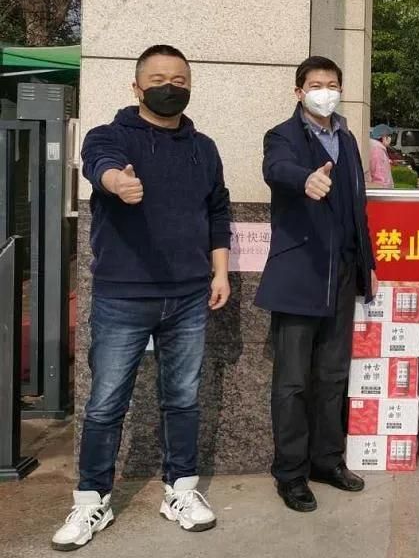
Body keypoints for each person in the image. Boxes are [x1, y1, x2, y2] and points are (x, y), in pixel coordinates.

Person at [53, 45, 231, 550]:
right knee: (106, 402)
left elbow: (217, 211)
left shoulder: (204, 148)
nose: (169, 87)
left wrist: (220, 272)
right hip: (123, 296)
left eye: (179, 80)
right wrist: (116, 182)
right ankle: (92, 500)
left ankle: (181, 490)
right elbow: (99, 165)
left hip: (190, 295)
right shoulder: (109, 135)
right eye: (158, 80)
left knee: (183, 399)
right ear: (136, 87)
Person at [255, 56, 378, 513]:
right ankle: (291, 473)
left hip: (342, 272)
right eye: (315, 85)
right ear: (299, 92)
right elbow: (276, 169)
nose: (324, 92)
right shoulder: (283, 136)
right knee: (292, 382)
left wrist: (368, 264)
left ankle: (328, 460)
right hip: (300, 273)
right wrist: (304, 178)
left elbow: (357, 210)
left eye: (331, 84)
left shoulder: (346, 139)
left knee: (332, 375)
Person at [368, 123, 395, 188]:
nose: (390, 139)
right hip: (382, 191)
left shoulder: (377, 148)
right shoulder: (378, 150)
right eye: (389, 136)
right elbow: (379, 178)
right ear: (384, 137)